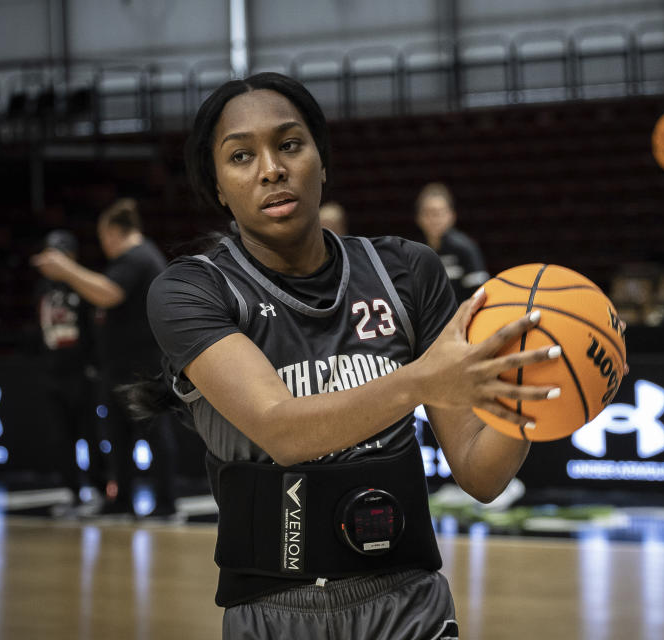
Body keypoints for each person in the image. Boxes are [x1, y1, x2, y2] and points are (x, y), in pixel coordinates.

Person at [136, 72, 564, 638]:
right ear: (217, 186)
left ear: (322, 160)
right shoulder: (193, 291)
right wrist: (419, 382)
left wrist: (544, 381)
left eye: (290, 144)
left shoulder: (407, 271)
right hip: (274, 612)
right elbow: (280, 430)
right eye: (241, 156)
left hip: (411, 604)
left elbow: (481, 475)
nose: (271, 168)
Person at [31, 199, 179, 519]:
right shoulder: (133, 258)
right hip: (120, 367)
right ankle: (121, 500)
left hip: (141, 366)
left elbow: (109, 293)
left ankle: (166, 504)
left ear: (112, 232)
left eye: (102, 238)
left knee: (152, 434)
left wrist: (66, 270)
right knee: (118, 437)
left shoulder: (138, 258)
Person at [34, 229, 103, 516]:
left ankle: (100, 490)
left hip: (82, 374)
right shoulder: (42, 289)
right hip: (53, 374)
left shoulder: (84, 285)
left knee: (91, 434)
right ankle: (72, 493)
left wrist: (92, 367)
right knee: (60, 438)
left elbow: (96, 330)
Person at [415, 182, 490, 303]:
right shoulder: (415, 251)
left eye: (439, 213)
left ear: (451, 216)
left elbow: (481, 295)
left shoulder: (466, 248)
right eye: (428, 213)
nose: (434, 219)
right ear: (419, 218)